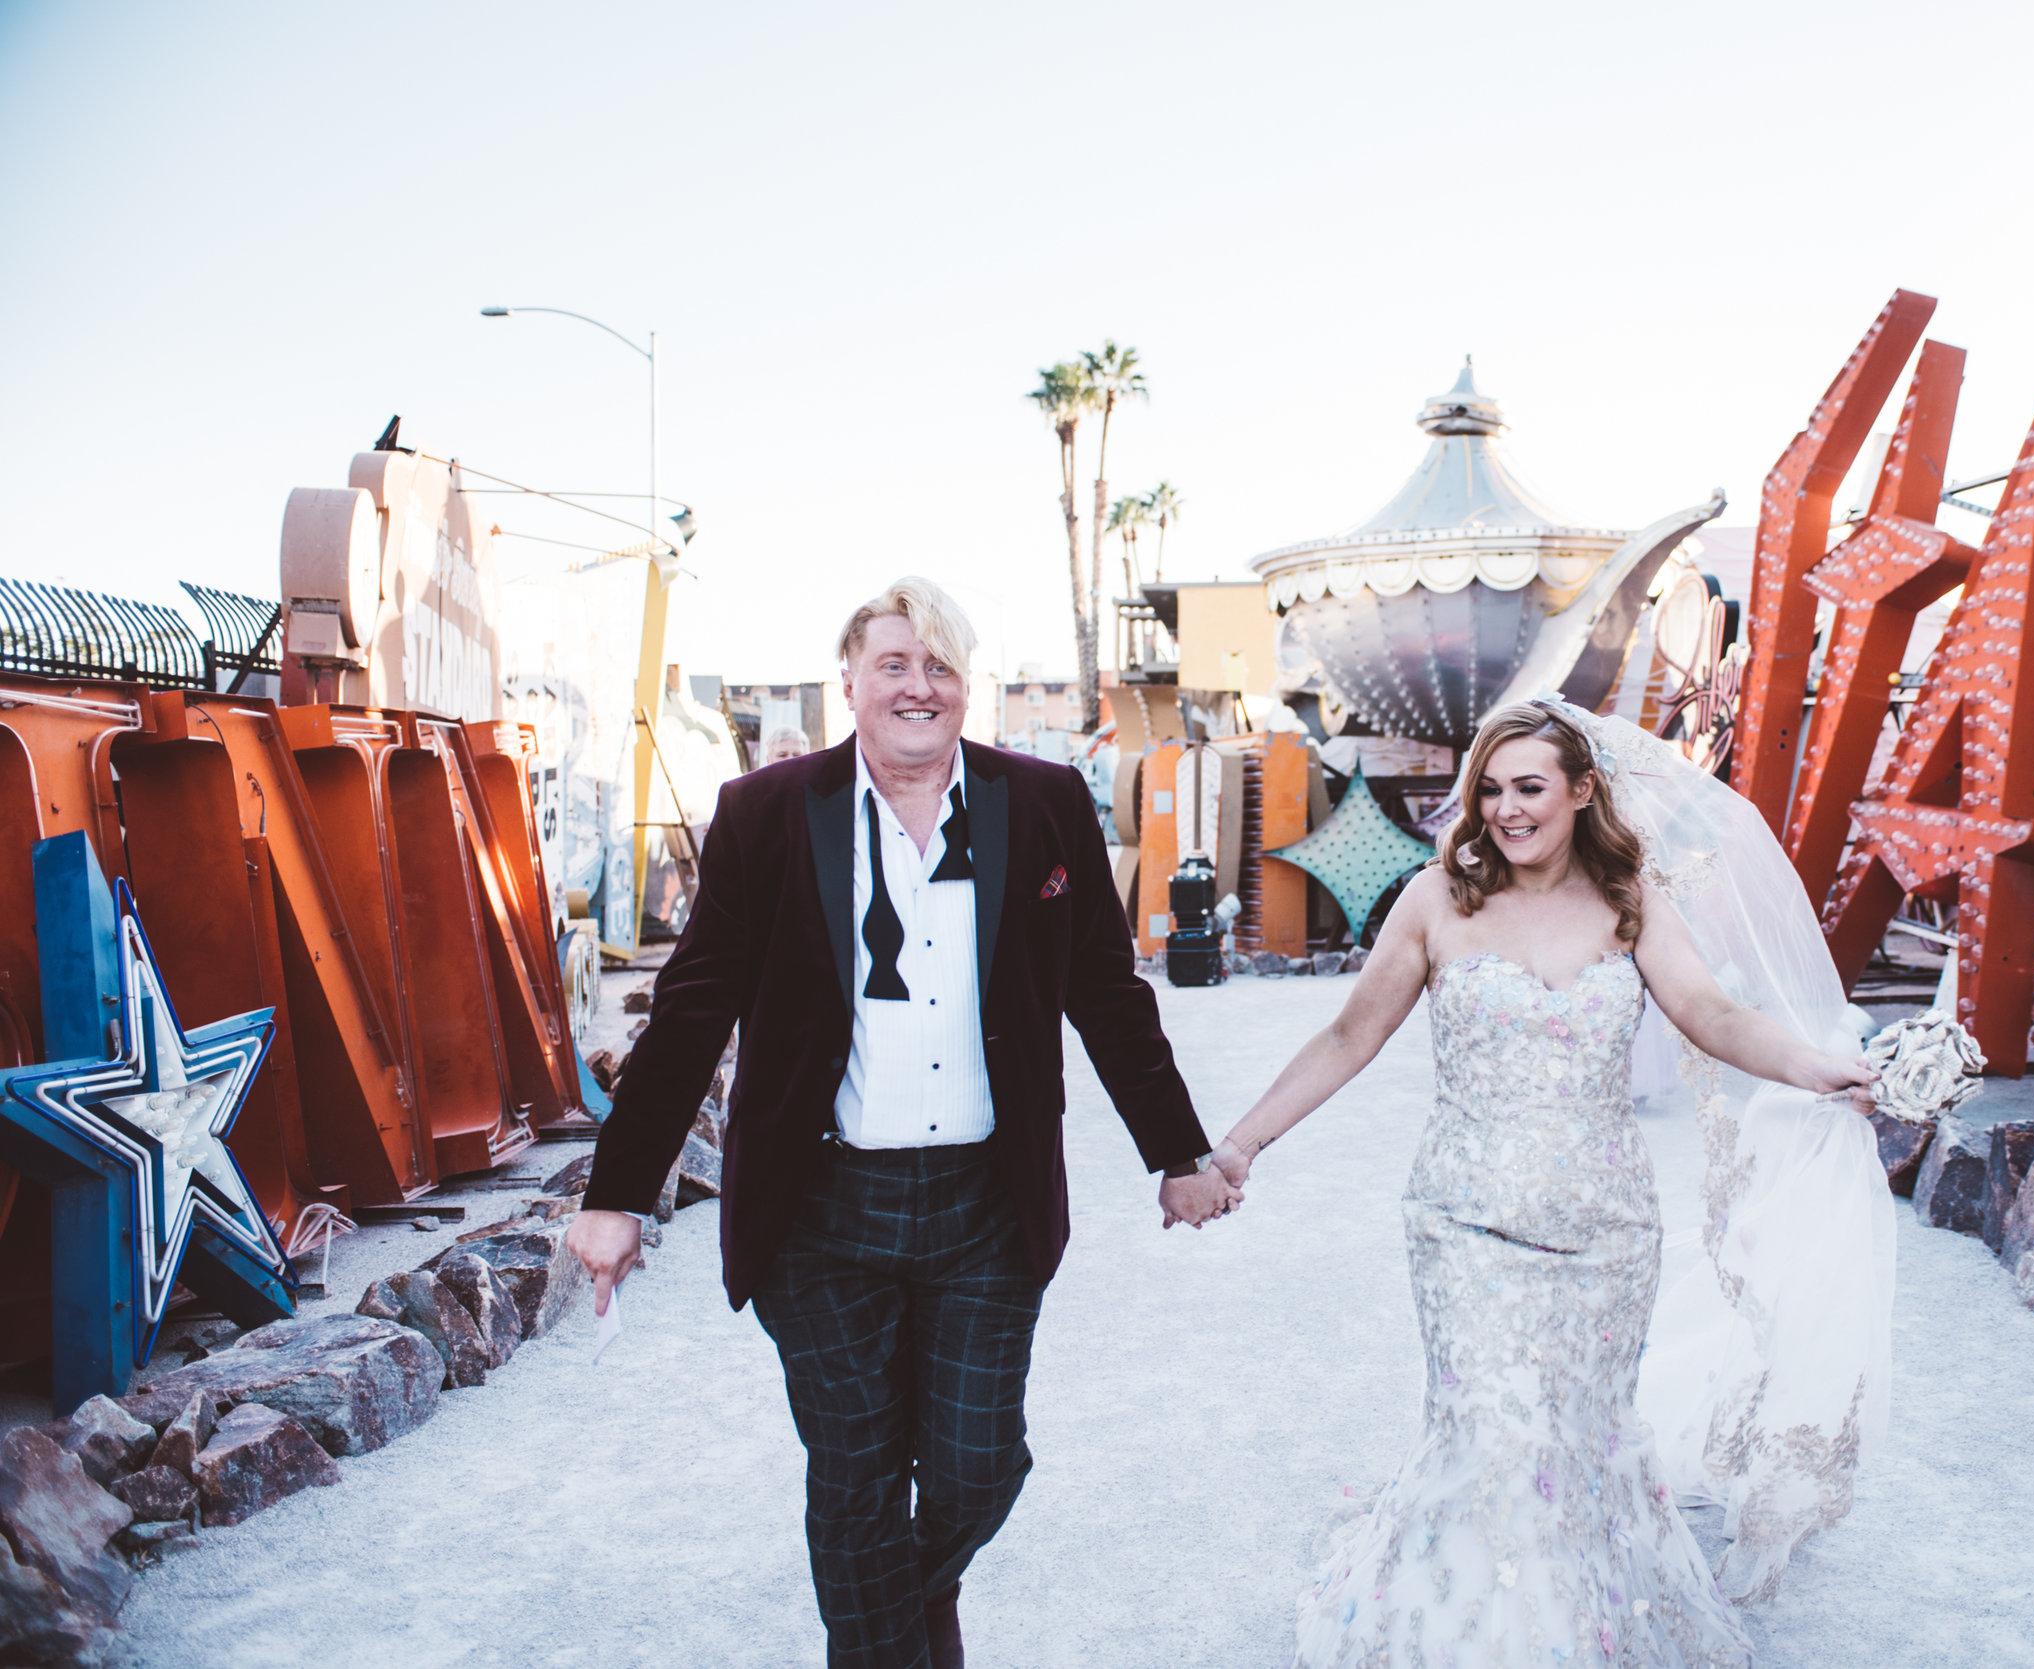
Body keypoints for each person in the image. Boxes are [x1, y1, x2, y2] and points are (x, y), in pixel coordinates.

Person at [567, 577, 1239, 1669]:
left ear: (966, 687)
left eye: (939, 666)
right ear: (851, 683)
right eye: (894, 665)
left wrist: (1177, 1153)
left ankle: (895, 1609)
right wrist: (615, 1195)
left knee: (978, 1464)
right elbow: (690, 1010)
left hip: (985, 1203)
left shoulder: (1044, 802)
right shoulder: (770, 815)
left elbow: (1106, 994)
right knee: (854, 1474)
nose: (916, 687)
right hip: (820, 1210)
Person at [1214, 696, 1895, 1667]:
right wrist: (1240, 1144)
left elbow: (1709, 1011)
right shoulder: (1433, 901)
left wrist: (1810, 1064)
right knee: (1491, 1436)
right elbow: (1347, 1035)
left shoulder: (1632, 901)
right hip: (1466, 1227)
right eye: (1488, 790)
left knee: (1574, 1444)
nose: (1504, 810)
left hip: (1605, 1236)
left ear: (1581, 791)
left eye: (1528, 787)